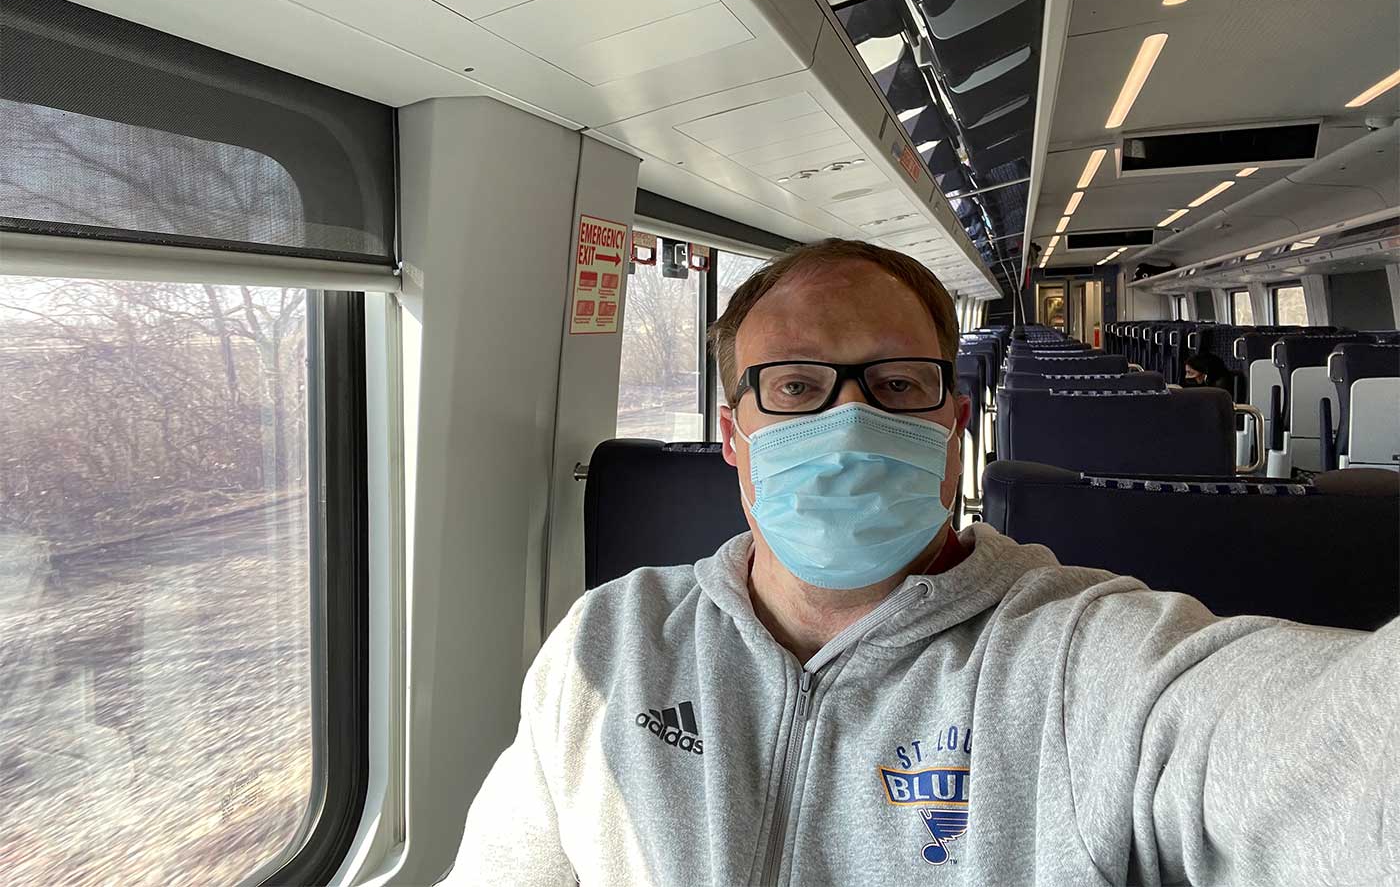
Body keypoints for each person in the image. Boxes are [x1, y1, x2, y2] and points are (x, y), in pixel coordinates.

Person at [460, 239, 1397, 884]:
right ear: (734, 437)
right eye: (795, 385)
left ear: (954, 429)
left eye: (898, 383)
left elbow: (1323, 752)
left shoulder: (1080, 664)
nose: (849, 421)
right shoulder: (608, 645)